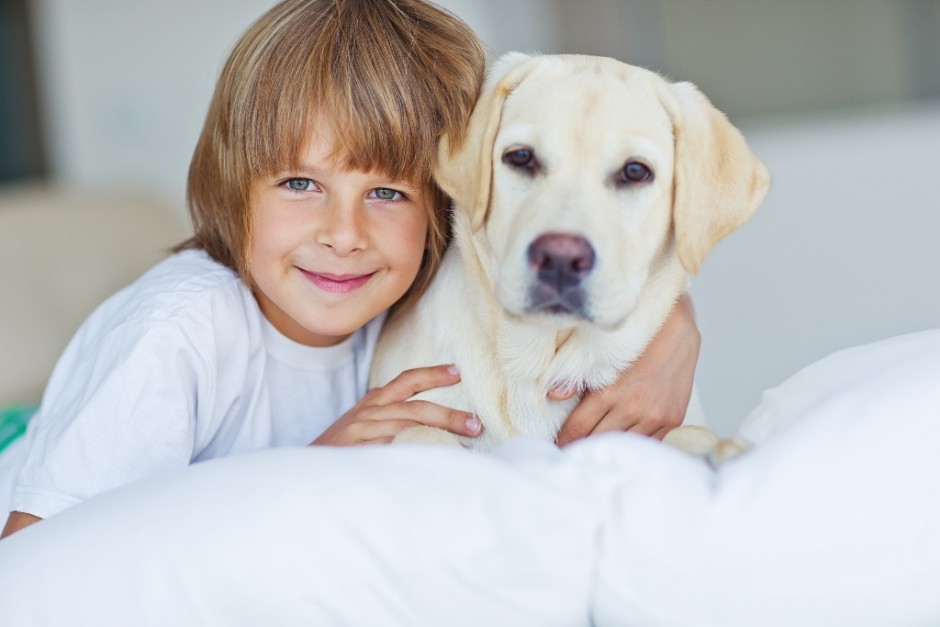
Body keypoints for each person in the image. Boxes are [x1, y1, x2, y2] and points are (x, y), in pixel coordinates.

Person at [1, 0, 699, 539]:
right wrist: (312, 470)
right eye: (300, 184)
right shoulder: (180, 330)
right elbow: (34, 565)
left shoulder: (413, 285)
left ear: (450, 205)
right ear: (233, 180)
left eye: (389, 193)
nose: (344, 235)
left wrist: (675, 334)